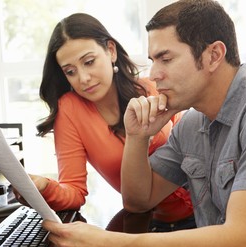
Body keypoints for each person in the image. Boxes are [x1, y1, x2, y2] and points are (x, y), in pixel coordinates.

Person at [42, 0, 246, 247]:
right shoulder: (192, 124)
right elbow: (138, 201)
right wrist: (137, 136)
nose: (153, 75)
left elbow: (245, 246)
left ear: (213, 56)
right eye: (153, 61)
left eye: (165, 59)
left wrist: (111, 246)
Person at [14, 13, 195, 232]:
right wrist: (43, 187)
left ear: (110, 51)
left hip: (210, 210)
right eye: (70, 72)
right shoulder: (70, 110)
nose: (83, 78)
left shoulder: (151, 88)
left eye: (89, 62)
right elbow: (74, 193)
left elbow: (194, 146)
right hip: (149, 226)